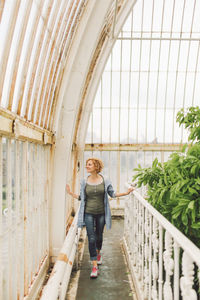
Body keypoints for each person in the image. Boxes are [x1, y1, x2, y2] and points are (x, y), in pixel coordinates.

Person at [66, 157, 134, 279]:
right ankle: (94, 266)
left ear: (96, 167)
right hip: (88, 213)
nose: (87, 166)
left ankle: (98, 253)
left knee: (99, 236)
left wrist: (126, 193)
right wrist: (71, 193)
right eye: (87, 164)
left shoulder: (105, 180)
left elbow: (112, 194)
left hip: (102, 213)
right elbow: (82, 197)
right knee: (91, 238)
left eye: (89, 164)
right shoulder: (84, 181)